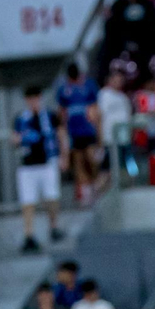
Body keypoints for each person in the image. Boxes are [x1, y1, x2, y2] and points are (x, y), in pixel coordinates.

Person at [12, 86, 67, 252]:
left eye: (35, 98)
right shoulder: (22, 118)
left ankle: (54, 226)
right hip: (28, 165)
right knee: (28, 201)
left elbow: (61, 135)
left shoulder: (49, 116)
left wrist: (64, 157)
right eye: (30, 99)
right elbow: (14, 138)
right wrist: (22, 139)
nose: (33, 102)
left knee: (51, 197)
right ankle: (29, 234)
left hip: (47, 162)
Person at [57, 62, 103, 204]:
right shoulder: (64, 89)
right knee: (78, 161)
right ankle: (86, 190)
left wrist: (99, 135)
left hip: (88, 130)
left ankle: (95, 184)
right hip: (73, 131)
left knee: (91, 158)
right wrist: (64, 135)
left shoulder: (88, 85)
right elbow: (61, 112)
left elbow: (96, 110)